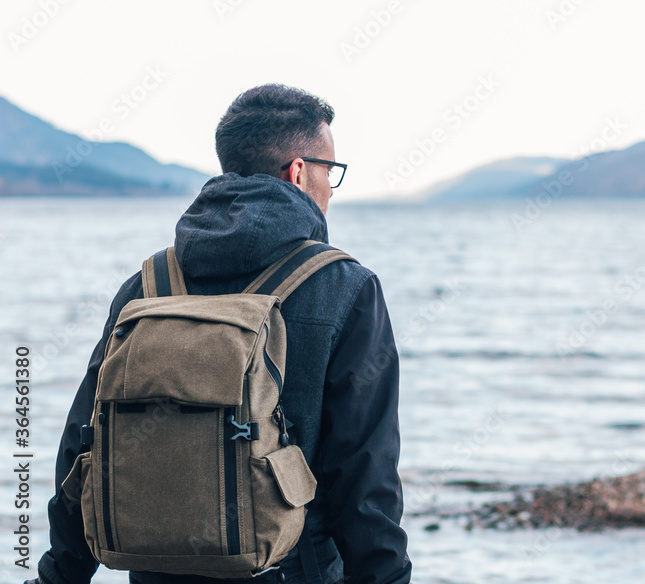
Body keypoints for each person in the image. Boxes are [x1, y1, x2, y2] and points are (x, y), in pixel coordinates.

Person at [31, 84, 412, 584]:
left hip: (156, 573)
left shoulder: (146, 287)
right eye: (330, 171)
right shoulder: (345, 287)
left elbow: (84, 448)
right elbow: (364, 480)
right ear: (300, 172)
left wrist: (60, 576)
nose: (330, 188)